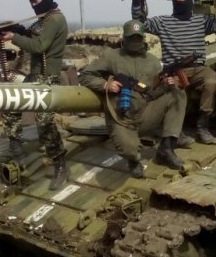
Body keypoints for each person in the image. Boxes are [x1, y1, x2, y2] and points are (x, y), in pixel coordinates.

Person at [78, 20, 186, 178]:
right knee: (129, 149)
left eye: (138, 37)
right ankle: (133, 160)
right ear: (124, 38)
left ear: (143, 38)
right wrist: (105, 85)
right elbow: (85, 75)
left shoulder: (153, 61)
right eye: (131, 37)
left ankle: (166, 149)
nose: (135, 41)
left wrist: (167, 85)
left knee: (178, 94)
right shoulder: (111, 56)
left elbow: (154, 93)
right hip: (121, 118)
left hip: (146, 114)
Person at [130, 0, 216, 143]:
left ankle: (203, 127)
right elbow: (140, 24)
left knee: (211, 82)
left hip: (198, 68)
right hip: (174, 71)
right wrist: (137, 1)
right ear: (173, 1)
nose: (181, 2)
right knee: (174, 92)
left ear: (190, 0)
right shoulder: (163, 22)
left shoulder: (201, 20)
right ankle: (175, 131)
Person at [0, 0, 69, 190]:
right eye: (32, 2)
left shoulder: (56, 19)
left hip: (48, 78)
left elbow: (39, 45)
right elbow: (32, 34)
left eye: (37, 1)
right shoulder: (44, 19)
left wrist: (14, 38)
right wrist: (17, 29)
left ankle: (60, 164)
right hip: (35, 76)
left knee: (44, 123)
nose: (34, 5)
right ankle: (15, 145)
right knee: (12, 102)